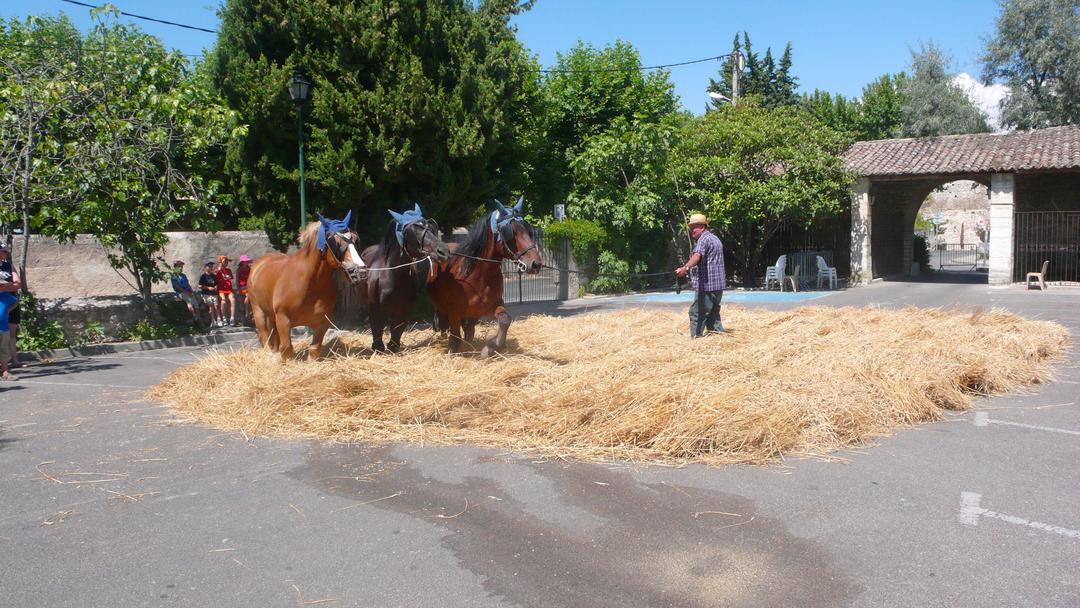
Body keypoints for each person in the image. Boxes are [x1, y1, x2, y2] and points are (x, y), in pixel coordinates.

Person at [675, 213, 726, 338]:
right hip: (718, 285)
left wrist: (685, 268)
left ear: (702, 227)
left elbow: (697, 256)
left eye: (694, 227)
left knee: (696, 312)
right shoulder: (715, 239)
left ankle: (696, 339)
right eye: (691, 228)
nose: (692, 231)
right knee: (713, 314)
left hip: (707, 286)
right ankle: (718, 338)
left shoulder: (703, 240)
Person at [0, 244, 21, 379]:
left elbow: (17, 284)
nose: (6, 253)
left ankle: (5, 372)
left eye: (6, 251)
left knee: (4, 343)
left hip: (3, 318)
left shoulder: (8, 266)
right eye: (3, 251)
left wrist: (3, 287)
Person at [198, 261, 221, 327]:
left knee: (216, 306)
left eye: (211, 267)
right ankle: (213, 321)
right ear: (205, 267)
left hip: (214, 293)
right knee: (211, 306)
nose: (211, 268)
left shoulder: (214, 276)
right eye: (209, 266)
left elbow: (216, 283)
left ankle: (219, 320)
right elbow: (200, 286)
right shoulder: (203, 276)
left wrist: (216, 287)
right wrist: (208, 288)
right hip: (206, 294)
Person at [215, 255, 235, 326]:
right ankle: (223, 318)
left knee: (233, 300)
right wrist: (219, 270)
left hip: (229, 289)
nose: (226, 263)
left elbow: (230, 277)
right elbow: (216, 277)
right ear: (221, 262)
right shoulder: (217, 270)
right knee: (223, 302)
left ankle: (232, 318)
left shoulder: (228, 270)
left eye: (227, 261)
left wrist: (228, 277)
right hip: (221, 289)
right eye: (225, 261)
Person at [235, 255, 252, 325]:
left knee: (248, 297)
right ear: (243, 262)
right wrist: (238, 288)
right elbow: (237, 280)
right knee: (247, 297)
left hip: (249, 287)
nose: (247, 262)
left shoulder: (249, 269)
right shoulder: (239, 270)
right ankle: (247, 312)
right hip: (242, 287)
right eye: (246, 261)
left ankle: (248, 312)